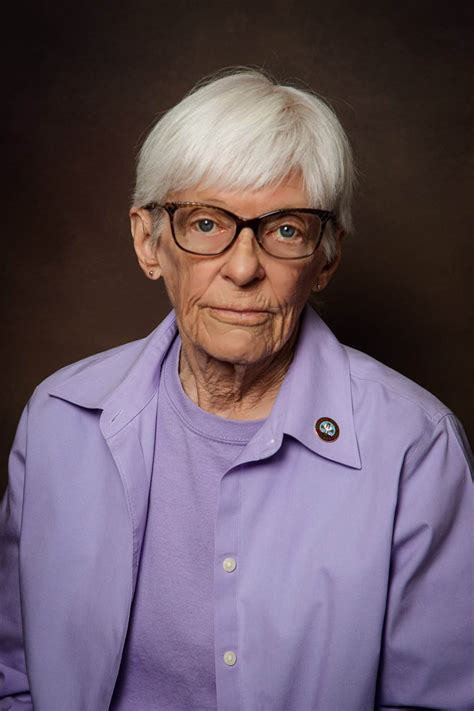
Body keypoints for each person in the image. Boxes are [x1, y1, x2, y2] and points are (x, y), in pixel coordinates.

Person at [0, 69, 472, 711]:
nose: (245, 268)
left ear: (325, 256)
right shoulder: (57, 420)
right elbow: (17, 679)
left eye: (284, 230)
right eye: (204, 224)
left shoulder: (415, 447)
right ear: (149, 241)